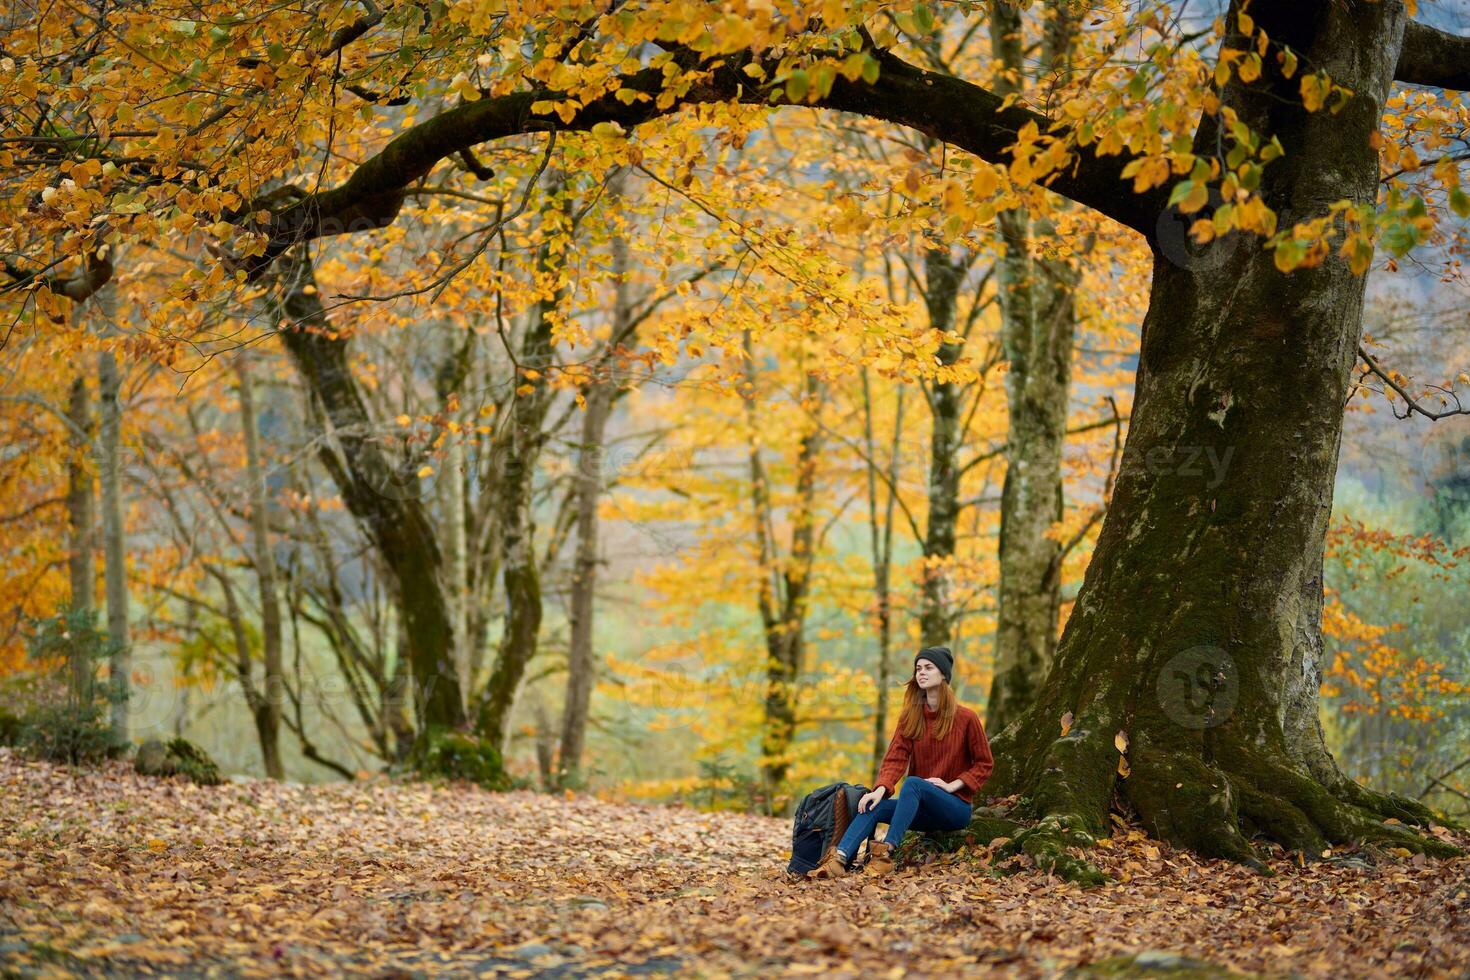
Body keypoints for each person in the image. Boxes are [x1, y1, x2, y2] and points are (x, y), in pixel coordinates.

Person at [808, 645, 993, 879]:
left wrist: (951, 785)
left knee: (914, 783)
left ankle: (885, 855)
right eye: (918, 668)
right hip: (919, 810)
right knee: (873, 805)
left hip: (954, 809)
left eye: (928, 667)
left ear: (944, 675)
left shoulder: (966, 718)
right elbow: (895, 757)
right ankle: (839, 859)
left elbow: (985, 763)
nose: (921, 672)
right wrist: (881, 789)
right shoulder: (911, 717)